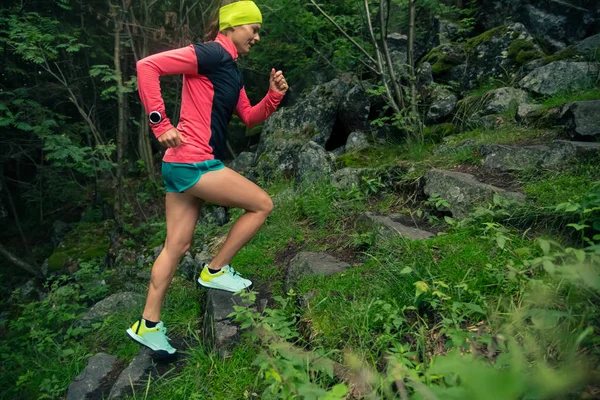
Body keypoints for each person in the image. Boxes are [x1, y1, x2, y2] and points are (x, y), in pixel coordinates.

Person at [126, 0, 288, 356]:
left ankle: (147, 324)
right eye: (254, 29)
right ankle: (216, 270)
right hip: (193, 162)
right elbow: (147, 66)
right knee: (262, 204)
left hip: (181, 163)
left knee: (176, 246)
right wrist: (160, 122)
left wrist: (273, 97)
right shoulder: (213, 53)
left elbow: (248, 116)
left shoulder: (231, 70)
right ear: (232, 26)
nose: (257, 37)